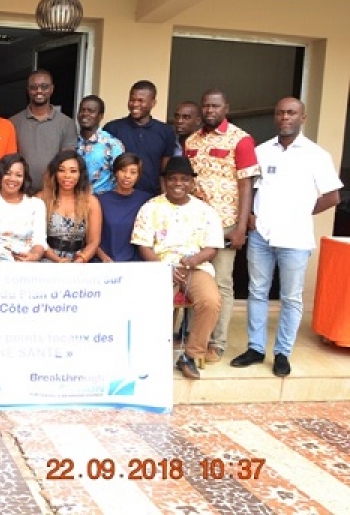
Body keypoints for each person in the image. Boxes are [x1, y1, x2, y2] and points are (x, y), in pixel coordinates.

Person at [231, 97, 342, 377]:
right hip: (261, 236)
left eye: (291, 113)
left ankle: (282, 353)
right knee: (257, 292)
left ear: (302, 118)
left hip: (295, 239)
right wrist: (251, 216)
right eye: (280, 113)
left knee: (291, 298)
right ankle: (256, 348)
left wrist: (302, 212)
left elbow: (332, 196)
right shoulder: (261, 151)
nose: (285, 117)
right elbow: (250, 189)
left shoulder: (316, 155)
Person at [185, 89, 260, 363]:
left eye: (215, 106)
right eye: (206, 106)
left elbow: (246, 185)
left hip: (226, 224)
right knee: (195, 279)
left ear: (226, 107)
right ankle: (194, 338)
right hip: (195, 225)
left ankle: (216, 343)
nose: (210, 110)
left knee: (222, 283)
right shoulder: (192, 140)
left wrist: (241, 226)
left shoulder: (241, 140)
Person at [132, 156, 223, 379]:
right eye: (172, 179)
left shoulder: (205, 211)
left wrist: (193, 261)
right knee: (154, 302)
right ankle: (151, 355)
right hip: (160, 266)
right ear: (165, 181)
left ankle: (190, 355)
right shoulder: (150, 208)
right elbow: (143, 246)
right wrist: (164, 268)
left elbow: (212, 247)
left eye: (184, 179)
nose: (178, 183)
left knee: (210, 301)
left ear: (192, 183)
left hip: (195, 268)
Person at [103, 80, 176, 195]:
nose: (135, 104)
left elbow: (165, 171)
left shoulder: (165, 131)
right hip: (119, 196)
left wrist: (164, 196)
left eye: (141, 101)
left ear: (153, 103)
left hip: (151, 196)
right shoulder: (112, 128)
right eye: (132, 100)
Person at [11, 70, 78, 192]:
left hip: (53, 193)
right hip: (20, 192)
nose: (39, 91)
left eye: (44, 86)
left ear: (52, 89)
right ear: (28, 90)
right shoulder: (13, 122)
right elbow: (9, 160)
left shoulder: (66, 123)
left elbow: (67, 162)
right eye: (34, 87)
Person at [39, 150, 101, 263]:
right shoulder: (41, 199)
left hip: (80, 261)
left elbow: (93, 241)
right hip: (47, 259)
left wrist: (81, 259)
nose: (67, 175)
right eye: (61, 170)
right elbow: (36, 239)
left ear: (80, 174)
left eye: (73, 171)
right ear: (55, 172)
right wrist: (58, 260)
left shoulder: (91, 202)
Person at [97, 153, 152, 263]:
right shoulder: (100, 200)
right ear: (115, 172)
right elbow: (91, 237)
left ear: (138, 176)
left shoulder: (146, 200)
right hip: (105, 262)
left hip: (136, 264)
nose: (127, 176)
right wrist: (104, 258)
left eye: (133, 172)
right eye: (123, 170)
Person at [75, 95, 124, 195]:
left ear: (100, 116)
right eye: (82, 110)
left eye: (91, 111)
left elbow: (121, 177)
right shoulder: (71, 142)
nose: (85, 114)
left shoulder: (112, 145)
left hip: (102, 201)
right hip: (74, 200)